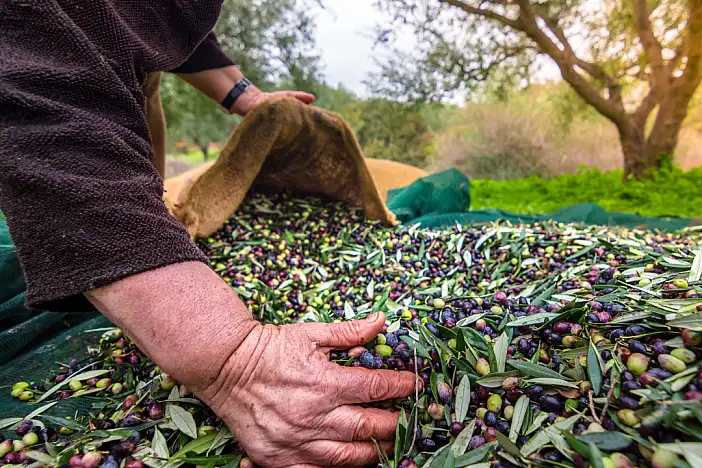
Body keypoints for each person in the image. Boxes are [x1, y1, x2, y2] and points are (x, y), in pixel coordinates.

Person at [0, 2, 417, 467]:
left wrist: (243, 96)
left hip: (118, 84)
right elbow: (39, 100)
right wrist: (233, 360)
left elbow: (155, 12)